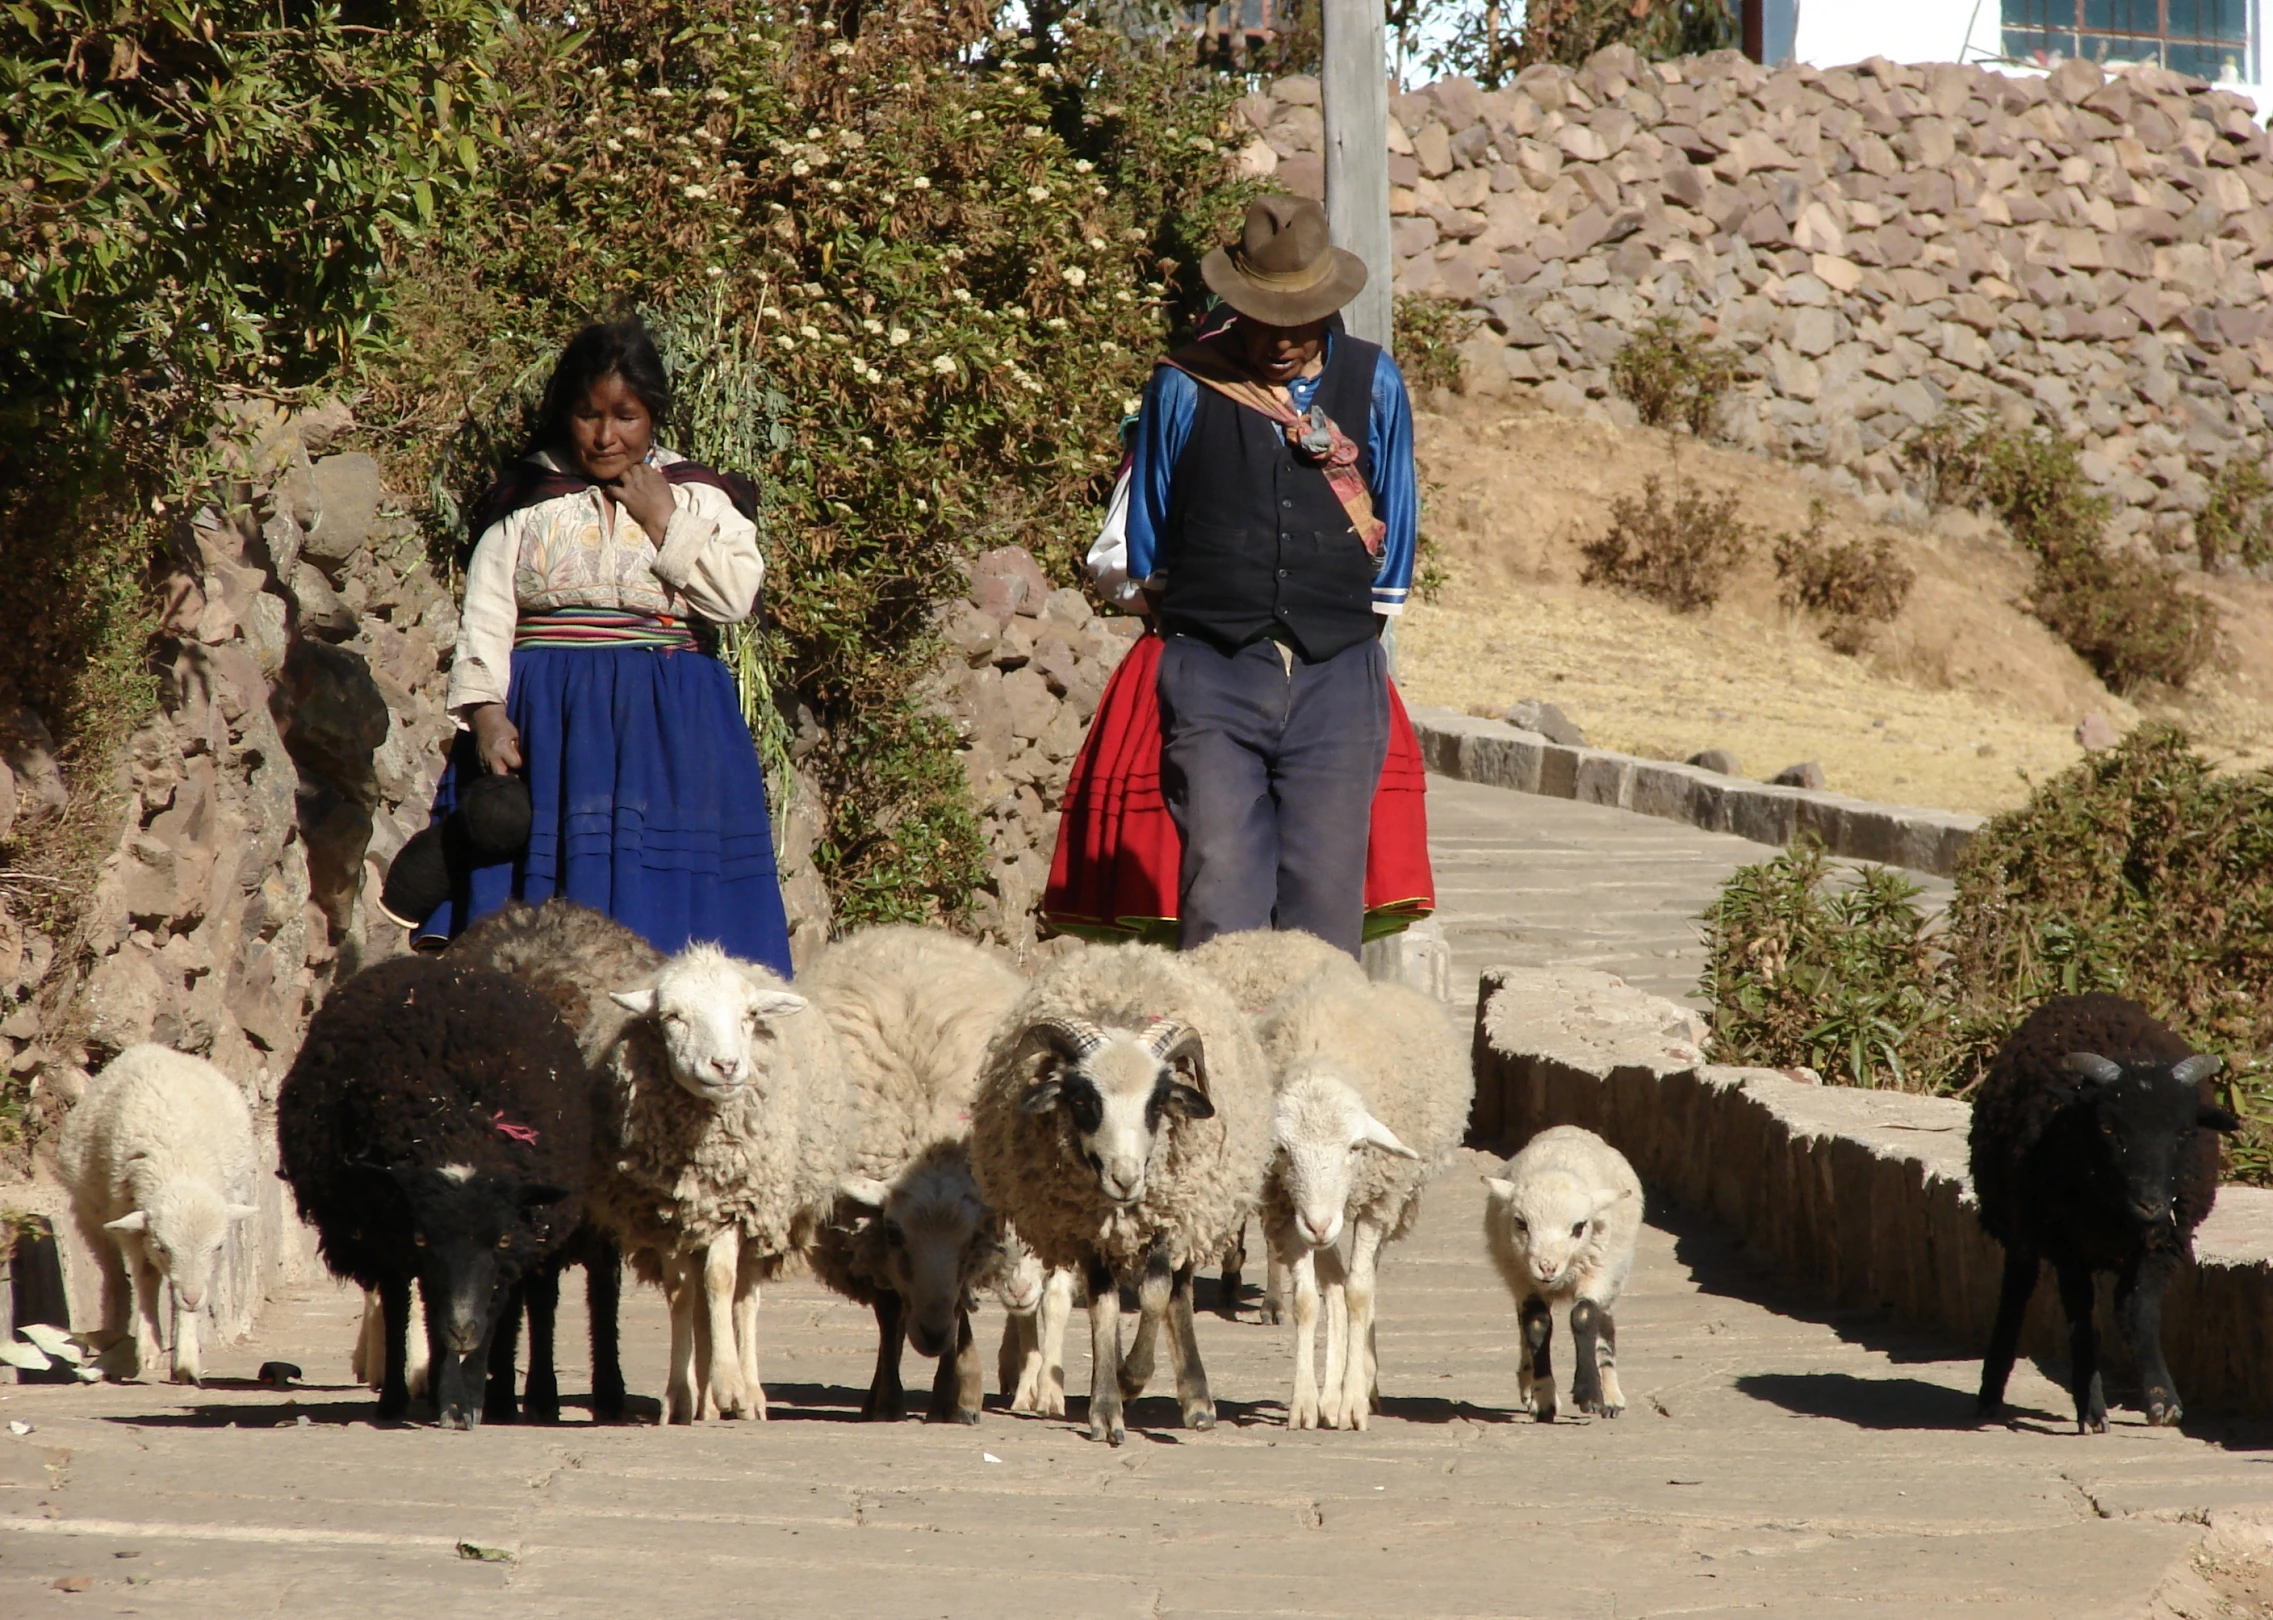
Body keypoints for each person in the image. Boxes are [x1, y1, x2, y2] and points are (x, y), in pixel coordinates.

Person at [1047, 195, 1429, 958]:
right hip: (1213, 666)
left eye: (1297, 320)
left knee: (1323, 899)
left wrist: (1351, 624)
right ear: (1233, 306)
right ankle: (1221, 1066)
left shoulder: (1374, 380)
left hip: (1337, 669)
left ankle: (1309, 1063)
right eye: (1260, 317)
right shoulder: (1183, 385)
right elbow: (1148, 528)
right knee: (1219, 886)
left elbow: (1397, 512)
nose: (1279, 340)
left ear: (1326, 308)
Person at [401, 319, 793, 972]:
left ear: (653, 415)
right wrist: (488, 716)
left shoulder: (699, 496)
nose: (606, 435)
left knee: (668, 918)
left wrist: (662, 516)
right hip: (552, 728)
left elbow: (730, 601)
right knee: (542, 922)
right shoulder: (529, 499)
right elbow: (488, 617)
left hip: (670, 730)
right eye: (587, 415)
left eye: (625, 417)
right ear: (565, 414)